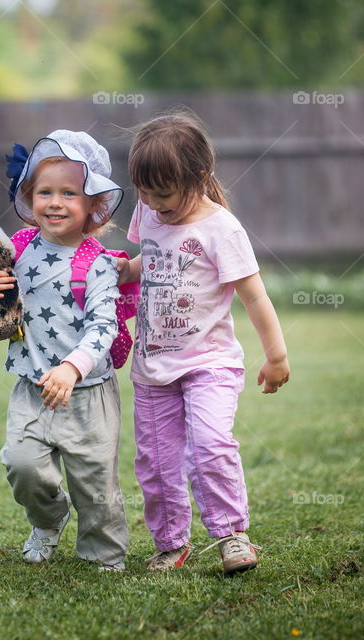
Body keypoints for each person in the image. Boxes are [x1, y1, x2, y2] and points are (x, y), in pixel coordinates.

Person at [117, 110, 291, 574]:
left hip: (209, 363)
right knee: (155, 462)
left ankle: (232, 535)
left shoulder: (222, 230)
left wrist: (276, 356)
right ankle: (171, 543)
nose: (153, 204)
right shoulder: (150, 212)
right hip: (153, 367)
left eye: (163, 193)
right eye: (144, 192)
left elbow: (254, 296)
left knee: (211, 445)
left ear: (197, 177)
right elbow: (149, 258)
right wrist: (124, 270)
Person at [0, 130, 129, 572]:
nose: (55, 202)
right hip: (32, 387)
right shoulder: (16, 250)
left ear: (92, 204)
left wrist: (72, 369)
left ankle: (103, 552)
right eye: (45, 192)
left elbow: (102, 326)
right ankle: (47, 517)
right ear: (29, 197)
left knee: (95, 482)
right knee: (22, 466)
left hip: (87, 391)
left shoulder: (98, 263)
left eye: (69, 193)